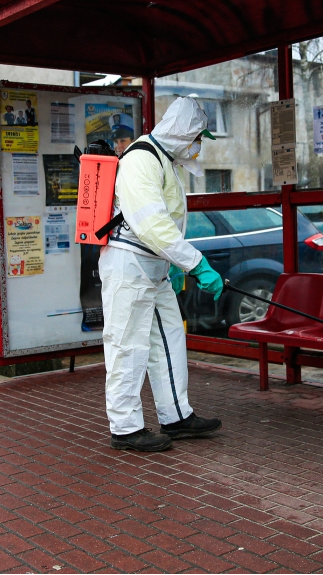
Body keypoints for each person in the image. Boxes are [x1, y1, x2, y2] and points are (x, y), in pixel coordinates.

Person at [100, 97, 223, 452]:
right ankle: (125, 428)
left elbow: (162, 225)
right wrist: (194, 263)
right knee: (128, 345)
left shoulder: (161, 159)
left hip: (152, 267)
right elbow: (152, 222)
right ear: (184, 133)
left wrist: (175, 263)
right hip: (130, 265)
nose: (198, 145)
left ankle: (175, 415)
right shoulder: (142, 158)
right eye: (198, 137)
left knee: (168, 338)